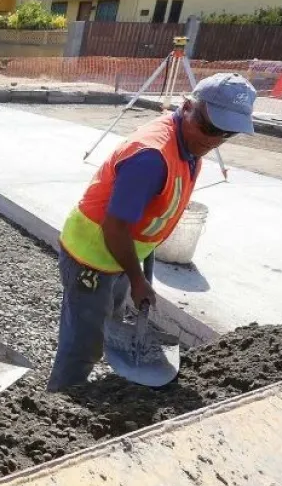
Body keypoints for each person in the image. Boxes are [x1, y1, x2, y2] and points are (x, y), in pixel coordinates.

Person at [48, 73, 256, 391]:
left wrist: (139, 268)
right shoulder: (150, 157)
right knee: (82, 343)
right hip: (92, 256)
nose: (214, 140)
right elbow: (115, 226)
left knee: (105, 322)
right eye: (210, 127)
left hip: (118, 255)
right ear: (187, 107)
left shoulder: (188, 147)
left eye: (227, 134)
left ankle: (81, 388)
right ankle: (58, 405)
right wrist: (137, 279)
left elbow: (148, 215)